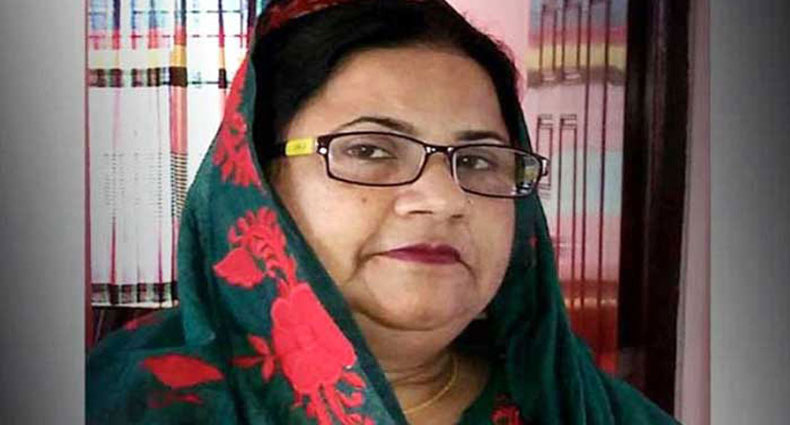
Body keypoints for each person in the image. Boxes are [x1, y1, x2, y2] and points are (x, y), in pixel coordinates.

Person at [87, 1, 680, 424]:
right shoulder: (127, 401)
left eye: (478, 160)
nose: (444, 200)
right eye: (369, 150)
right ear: (256, 182)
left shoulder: (587, 406)